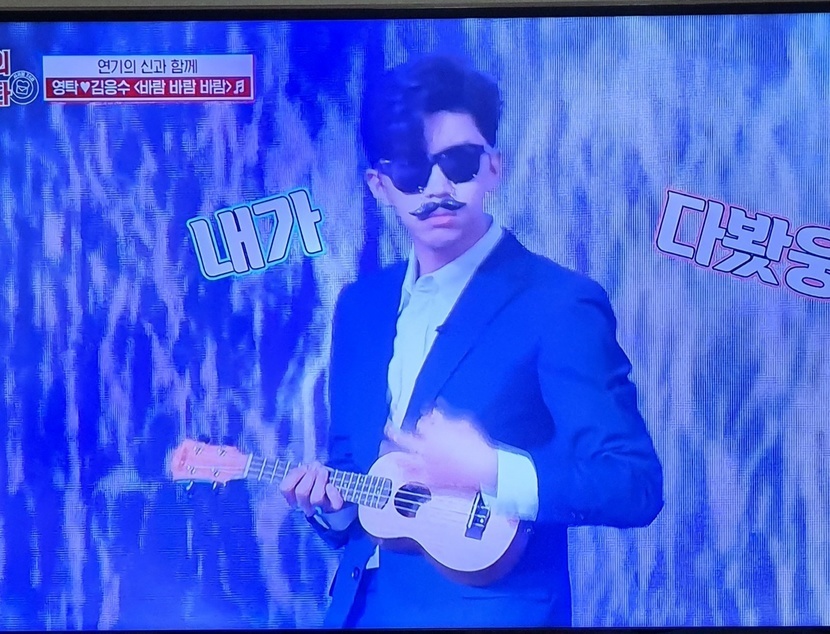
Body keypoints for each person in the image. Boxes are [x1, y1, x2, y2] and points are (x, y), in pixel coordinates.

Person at [280, 53, 664, 628]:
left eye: (458, 163)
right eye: (412, 170)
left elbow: (633, 483)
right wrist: (327, 507)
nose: (438, 187)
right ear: (379, 185)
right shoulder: (359, 308)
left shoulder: (559, 302)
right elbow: (355, 474)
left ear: (493, 167)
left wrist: (490, 469)